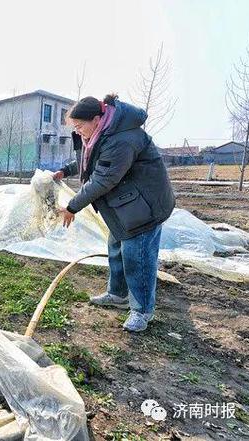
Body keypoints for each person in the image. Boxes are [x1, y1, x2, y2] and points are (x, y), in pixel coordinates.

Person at [53, 93, 175, 332]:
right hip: (126, 206)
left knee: (137, 259)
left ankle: (142, 311)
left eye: (79, 126)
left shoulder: (121, 139)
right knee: (116, 249)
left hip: (143, 207)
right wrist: (64, 171)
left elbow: (102, 180)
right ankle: (118, 294)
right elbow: (89, 160)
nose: (77, 131)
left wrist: (71, 207)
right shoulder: (103, 133)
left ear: (97, 119)